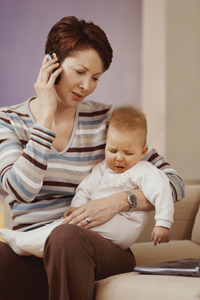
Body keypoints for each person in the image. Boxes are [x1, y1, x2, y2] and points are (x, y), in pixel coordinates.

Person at [0, 16, 184, 300]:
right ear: (51, 64)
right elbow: (21, 191)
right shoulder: (9, 120)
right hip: (34, 253)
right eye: (80, 72)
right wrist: (46, 118)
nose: (86, 85)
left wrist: (122, 200)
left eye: (96, 77)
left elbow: (174, 183)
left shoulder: (106, 119)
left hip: (97, 248)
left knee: (65, 237)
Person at [0, 105, 174, 257]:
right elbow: (84, 189)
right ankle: (26, 241)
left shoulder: (144, 170)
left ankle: (25, 244)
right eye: (113, 150)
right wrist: (76, 207)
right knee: (65, 226)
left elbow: (163, 190)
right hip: (94, 223)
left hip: (123, 225)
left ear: (143, 152)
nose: (119, 158)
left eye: (128, 153)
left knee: (66, 231)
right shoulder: (101, 168)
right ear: (105, 145)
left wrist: (163, 223)